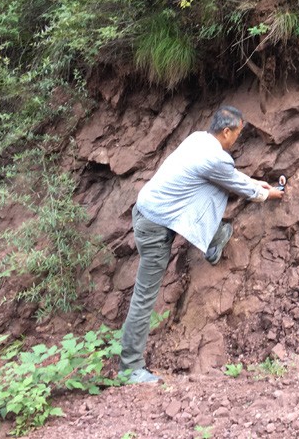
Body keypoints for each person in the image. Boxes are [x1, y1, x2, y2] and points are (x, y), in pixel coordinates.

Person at [119, 106, 283, 384]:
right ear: (227, 131)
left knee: (211, 187)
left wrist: (256, 182)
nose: (237, 139)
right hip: (155, 225)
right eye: (238, 134)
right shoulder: (214, 159)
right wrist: (268, 195)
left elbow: (226, 177)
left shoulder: (197, 139)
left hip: (151, 210)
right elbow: (231, 180)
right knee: (144, 296)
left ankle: (212, 237)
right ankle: (130, 367)